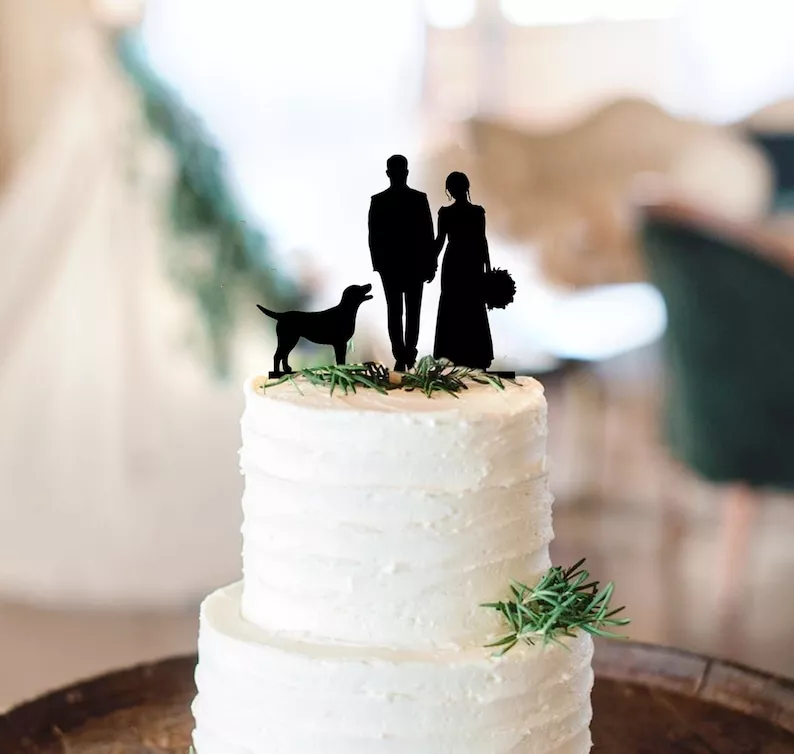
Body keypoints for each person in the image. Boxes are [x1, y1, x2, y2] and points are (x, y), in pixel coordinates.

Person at [368, 155, 435, 371]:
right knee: (410, 311)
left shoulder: (379, 201)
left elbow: (374, 237)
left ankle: (402, 355)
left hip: (393, 266)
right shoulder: (418, 199)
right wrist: (431, 263)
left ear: (389, 173)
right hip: (410, 265)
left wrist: (379, 264)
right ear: (406, 172)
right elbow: (428, 234)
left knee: (395, 311)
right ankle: (406, 354)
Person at [433, 171, 494, 369]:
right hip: (472, 263)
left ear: (449, 190)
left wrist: (427, 261)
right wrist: (487, 269)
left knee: (453, 305)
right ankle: (476, 355)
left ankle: (451, 354)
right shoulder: (477, 212)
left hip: (454, 263)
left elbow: (439, 243)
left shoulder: (446, 213)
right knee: (473, 306)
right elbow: (482, 242)